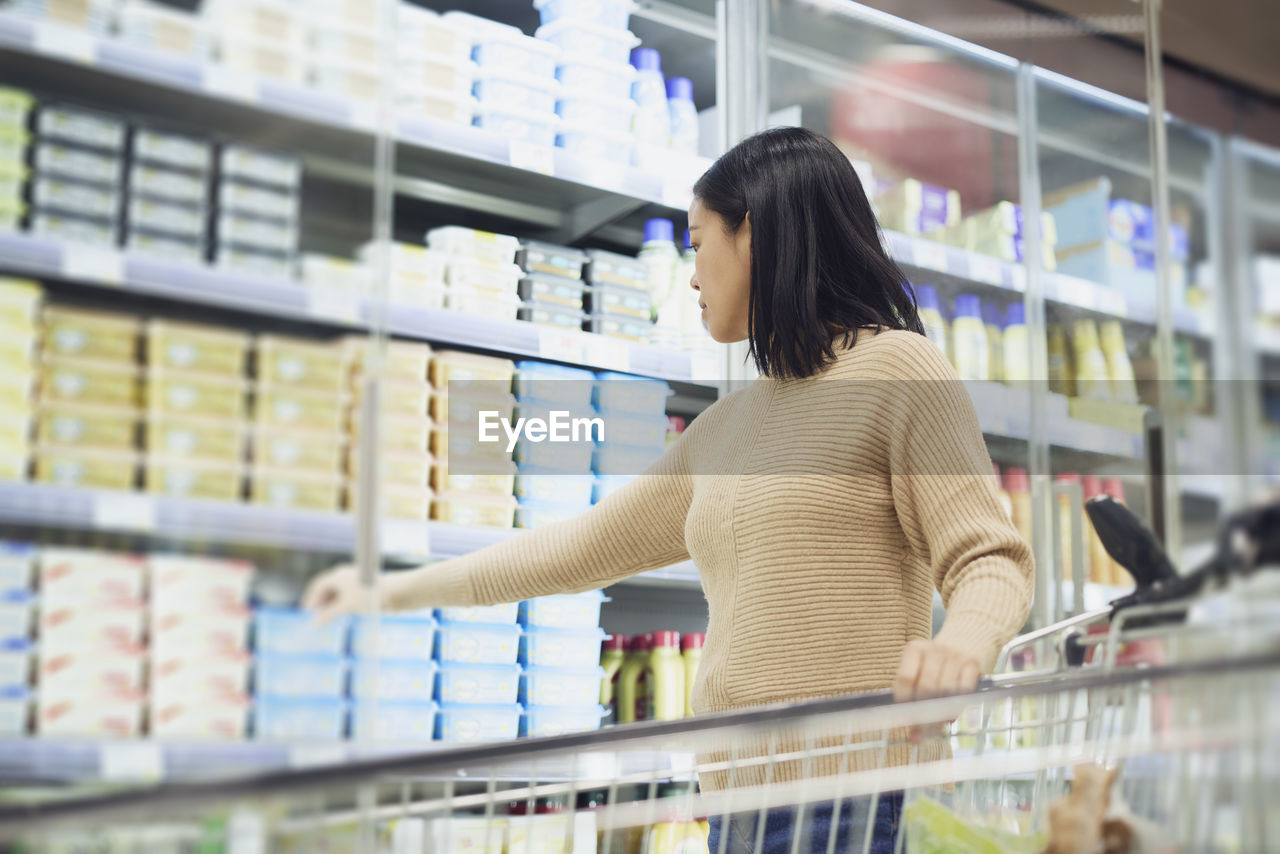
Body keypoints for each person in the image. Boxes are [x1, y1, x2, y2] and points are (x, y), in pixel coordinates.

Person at [304, 126, 1034, 853]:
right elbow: (575, 548)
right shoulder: (729, 425)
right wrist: (394, 591)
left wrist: (964, 643)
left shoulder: (899, 371)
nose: (690, 274)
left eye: (696, 242)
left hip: (851, 802)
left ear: (755, 234)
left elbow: (991, 558)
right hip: (735, 806)